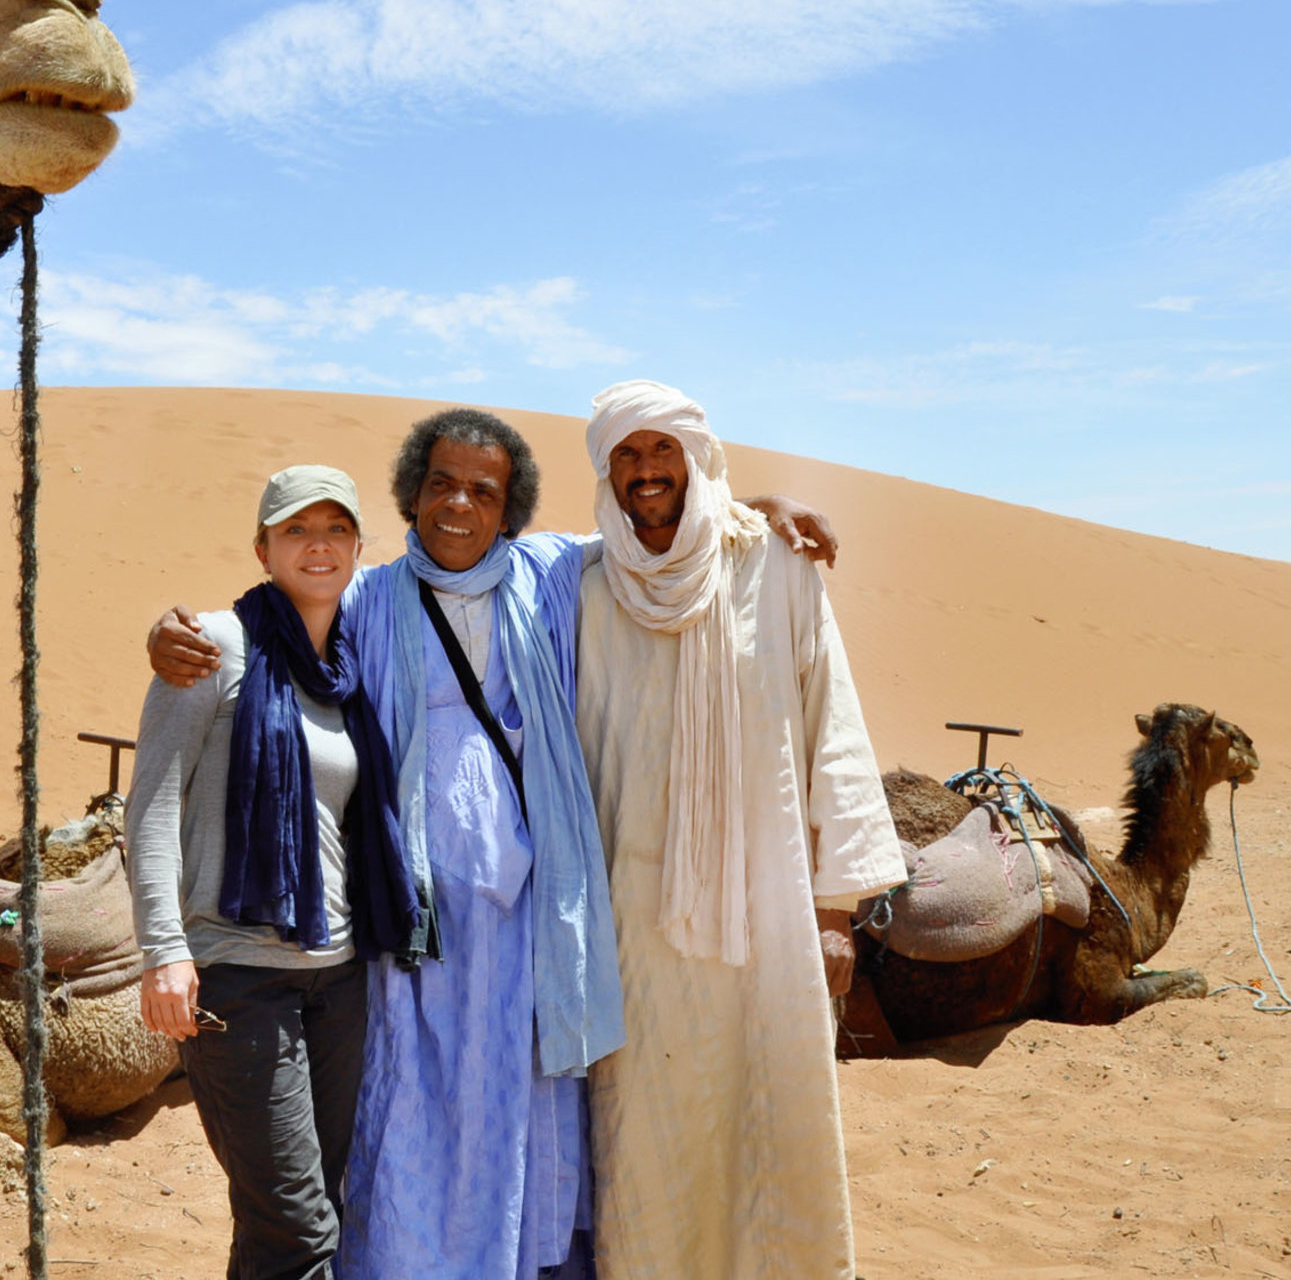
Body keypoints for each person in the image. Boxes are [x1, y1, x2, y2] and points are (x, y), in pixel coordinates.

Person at [147, 410, 837, 1280]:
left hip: (527, 911)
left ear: (511, 508)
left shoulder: (552, 573)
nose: (460, 504)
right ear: (412, 491)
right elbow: (278, 617)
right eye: (442, 483)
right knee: (411, 1100)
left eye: (485, 490)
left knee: (516, 1093)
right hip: (407, 920)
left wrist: (748, 505)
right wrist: (173, 635)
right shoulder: (366, 595)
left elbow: (651, 533)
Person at [573, 380, 907, 1280]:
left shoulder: (779, 570)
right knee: (648, 1140)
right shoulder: (584, 585)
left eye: (664, 451)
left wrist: (838, 912)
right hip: (635, 924)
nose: (647, 471)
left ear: (696, 457)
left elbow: (831, 729)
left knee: (771, 1125)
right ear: (606, 471)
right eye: (627, 455)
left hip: (766, 916)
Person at [125, 465, 408, 1280]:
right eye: (295, 530)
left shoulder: (355, 666)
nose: (317, 546)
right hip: (238, 976)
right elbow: (151, 806)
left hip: (341, 979)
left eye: (334, 530)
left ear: (358, 546)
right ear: (263, 547)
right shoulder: (209, 650)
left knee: (302, 1215)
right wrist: (163, 950)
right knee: (298, 1228)